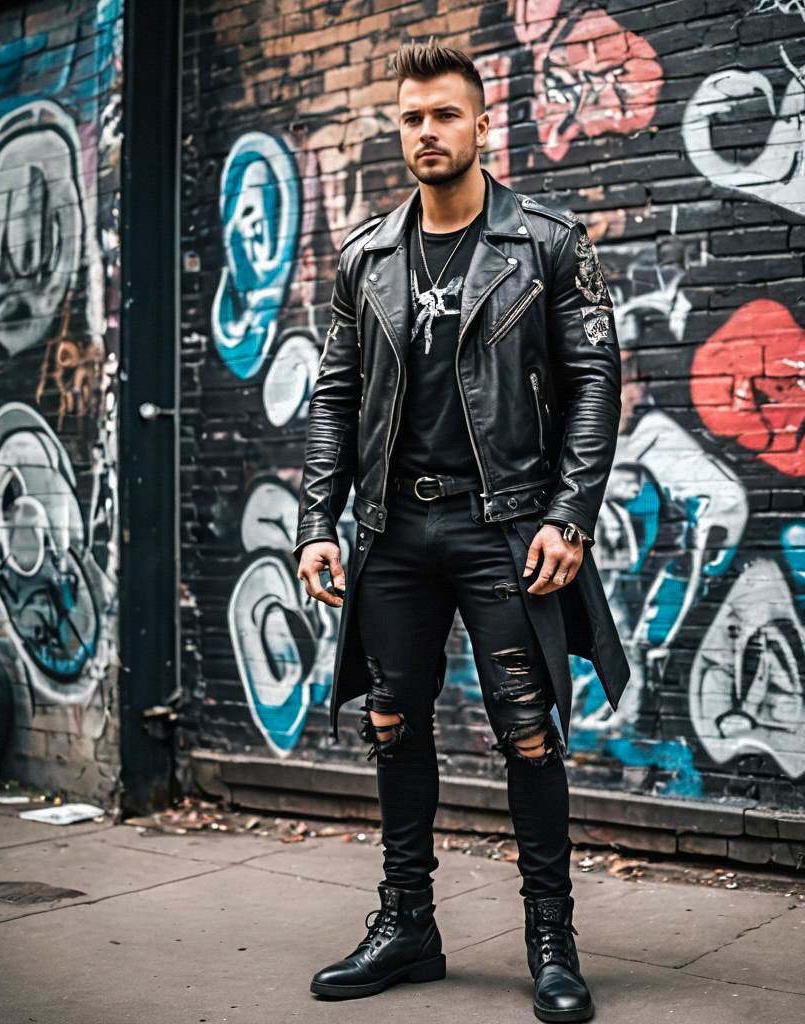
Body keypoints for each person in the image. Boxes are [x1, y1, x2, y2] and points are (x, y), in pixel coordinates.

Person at [293, 39, 628, 1023]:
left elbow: (595, 383)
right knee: (390, 719)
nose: (426, 131)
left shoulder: (547, 243)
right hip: (393, 530)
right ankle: (408, 925)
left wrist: (571, 513)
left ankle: (551, 940)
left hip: (505, 525)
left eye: (445, 114)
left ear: (483, 123)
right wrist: (318, 519)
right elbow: (335, 392)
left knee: (528, 730)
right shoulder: (365, 255)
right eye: (411, 116)